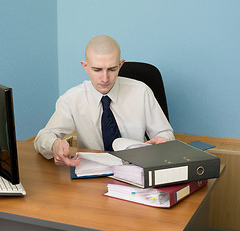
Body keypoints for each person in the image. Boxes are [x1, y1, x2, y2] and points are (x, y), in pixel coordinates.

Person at [34, 35, 174, 166]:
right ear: (85, 67)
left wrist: (163, 141)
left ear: (120, 65)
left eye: (112, 69)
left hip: (137, 169)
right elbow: (42, 137)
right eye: (97, 70)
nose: (105, 78)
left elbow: (165, 133)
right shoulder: (71, 99)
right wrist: (54, 145)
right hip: (93, 171)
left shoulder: (141, 92)